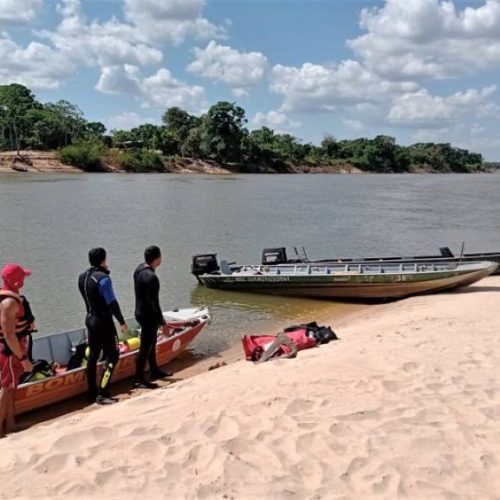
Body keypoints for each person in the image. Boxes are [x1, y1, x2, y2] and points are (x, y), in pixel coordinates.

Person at [78, 248, 128, 405]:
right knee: (113, 356)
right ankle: (103, 392)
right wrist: (121, 321)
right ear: (103, 260)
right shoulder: (103, 278)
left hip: (90, 320)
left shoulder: (82, 277)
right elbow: (111, 302)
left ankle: (91, 392)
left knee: (93, 355)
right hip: (104, 322)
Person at [0, 263, 34, 436]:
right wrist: (23, 358)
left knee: (11, 387)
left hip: (12, 350)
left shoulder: (9, 298)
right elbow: (9, 335)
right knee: (6, 388)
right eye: (22, 277)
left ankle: (11, 424)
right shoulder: (9, 304)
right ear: (16, 281)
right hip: (8, 352)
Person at [133, 245, 171, 389]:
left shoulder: (138, 270)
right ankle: (138, 379)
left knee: (151, 343)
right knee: (146, 346)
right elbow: (154, 302)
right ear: (157, 259)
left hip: (139, 312)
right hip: (148, 315)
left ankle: (154, 370)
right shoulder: (152, 278)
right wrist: (162, 322)